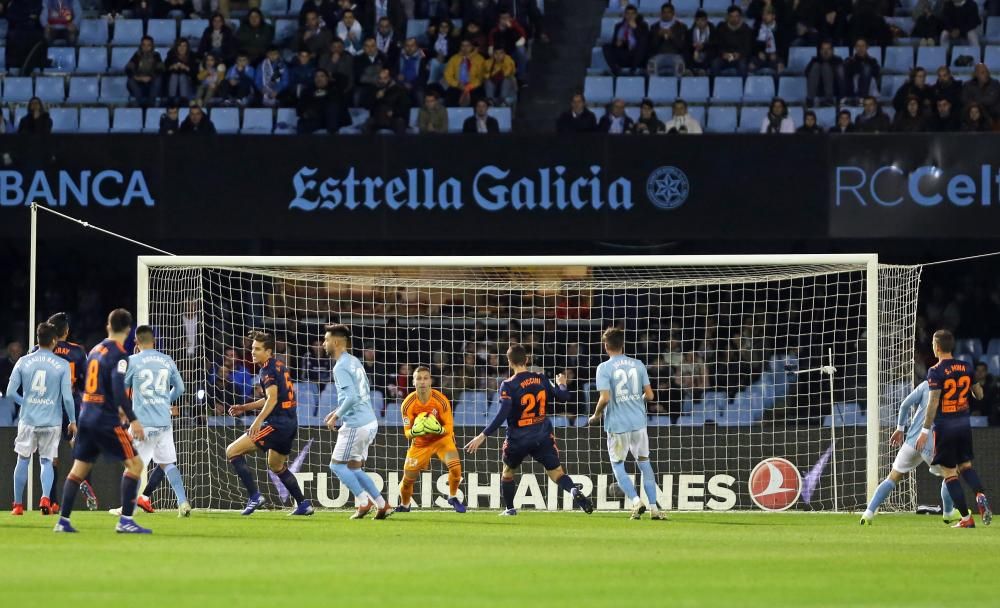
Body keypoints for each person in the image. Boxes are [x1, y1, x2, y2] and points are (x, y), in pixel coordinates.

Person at [464, 344, 594, 516]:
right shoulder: (541, 378)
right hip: (542, 435)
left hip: (518, 439)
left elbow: (502, 414)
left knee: (508, 472)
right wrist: (561, 384)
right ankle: (573, 491)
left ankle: (510, 509)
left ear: (510, 362)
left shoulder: (508, 385)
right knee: (557, 473)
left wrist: (483, 435)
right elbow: (564, 397)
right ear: (526, 360)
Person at [53, 309, 150, 534]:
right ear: (128, 330)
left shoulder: (95, 350)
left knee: (78, 470)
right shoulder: (119, 354)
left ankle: (63, 521)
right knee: (135, 465)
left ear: (108, 326)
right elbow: (118, 388)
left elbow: (90, 384)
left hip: (86, 416)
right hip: (105, 420)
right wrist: (132, 418)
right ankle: (126, 521)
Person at [225, 331, 313, 517]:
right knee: (276, 465)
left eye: (257, 349)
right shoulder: (279, 366)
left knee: (232, 451)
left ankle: (255, 497)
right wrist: (243, 407)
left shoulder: (267, 370)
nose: (253, 352)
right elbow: (270, 398)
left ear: (269, 351)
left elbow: (271, 400)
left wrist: (257, 421)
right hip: (289, 424)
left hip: (277, 425)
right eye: (252, 348)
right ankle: (303, 504)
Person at [914, 330, 992, 528]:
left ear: (937, 347)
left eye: (933, 343)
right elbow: (979, 395)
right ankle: (980, 494)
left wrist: (924, 431)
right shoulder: (966, 366)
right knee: (966, 466)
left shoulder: (935, 371)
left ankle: (966, 519)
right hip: (964, 425)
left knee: (950, 473)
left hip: (945, 427)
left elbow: (932, 403)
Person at [110, 325, 190, 517]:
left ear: (136, 343)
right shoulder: (167, 360)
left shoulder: (132, 361)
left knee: (133, 465)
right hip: (163, 421)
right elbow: (180, 388)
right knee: (167, 463)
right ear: (154, 341)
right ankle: (183, 502)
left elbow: (122, 389)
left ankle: (128, 507)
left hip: (142, 423)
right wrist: (164, 402)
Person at [588, 327, 663, 520]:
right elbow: (650, 395)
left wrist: (595, 415)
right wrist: (634, 399)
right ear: (622, 345)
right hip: (639, 422)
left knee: (617, 464)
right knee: (645, 464)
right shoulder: (638, 364)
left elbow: (605, 398)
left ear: (606, 346)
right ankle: (655, 508)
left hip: (617, 424)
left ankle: (636, 502)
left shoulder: (604, 368)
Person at [861, 381, 957, 524]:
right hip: (929, 443)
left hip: (911, 442)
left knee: (892, 477)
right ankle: (949, 512)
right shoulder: (953, 389)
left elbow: (905, 405)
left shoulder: (926, 384)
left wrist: (900, 428)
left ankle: (868, 513)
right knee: (951, 475)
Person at [323, 325, 391, 520]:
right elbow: (362, 393)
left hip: (356, 424)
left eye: (326, 340)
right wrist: (337, 410)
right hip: (369, 420)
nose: (323, 344)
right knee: (353, 467)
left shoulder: (340, 366)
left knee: (336, 466)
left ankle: (363, 501)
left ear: (336, 342)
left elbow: (352, 397)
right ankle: (381, 504)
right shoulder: (354, 361)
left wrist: (337, 416)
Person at [7, 323, 75, 516]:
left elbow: (11, 393)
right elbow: (67, 398)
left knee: (22, 459)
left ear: (38, 340)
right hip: (51, 421)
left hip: (28, 420)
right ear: (54, 341)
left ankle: (18, 505)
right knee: (46, 461)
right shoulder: (62, 365)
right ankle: (45, 497)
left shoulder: (22, 362)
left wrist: (25, 402)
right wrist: (72, 420)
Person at [393, 366, 465, 513]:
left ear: (430, 381)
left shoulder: (441, 400)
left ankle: (452, 496)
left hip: (442, 440)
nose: (423, 382)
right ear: (413, 382)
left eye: (426, 378)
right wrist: (415, 431)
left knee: (456, 469)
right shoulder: (407, 404)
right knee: (407, 481)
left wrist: (437, 429)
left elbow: (449, 428)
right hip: (420, 444)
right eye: (419, 378)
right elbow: (407, 433)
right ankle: (405, 505)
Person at [42, 312, 91, 512]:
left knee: (51, 455)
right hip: (72, 404)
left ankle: (52, 500)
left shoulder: (39, 350)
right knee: (78, 447)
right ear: (67, 331)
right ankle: (85, 481)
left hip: (48, 406)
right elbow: (86, 381)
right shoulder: (78, 351)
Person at [602, 4, 649, 76]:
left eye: (632, 13)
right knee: (606, 47)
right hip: (623, 54)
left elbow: (645, 40)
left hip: (637, 56)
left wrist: (635, 28)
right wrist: (617, 43)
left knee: (643, 45)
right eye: (628, 13)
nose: (630, 16)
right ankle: (616, 70)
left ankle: (633, 70)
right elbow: (614, 42)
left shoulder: (643, 25)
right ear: (624, 15)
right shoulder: (618, 26)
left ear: (636, 15)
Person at [646, 2, 687, 77]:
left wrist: (672, 36)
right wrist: (659, 36)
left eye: (669, 12)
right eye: (664, 12)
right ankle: (654, 87)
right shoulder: (654, 27)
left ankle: (677, 87)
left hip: (675, 55)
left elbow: (682, 46)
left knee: (680, 65)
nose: (666, 15)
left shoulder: (681, 27)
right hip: (659, 55)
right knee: (651, 64)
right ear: (661, 14)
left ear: (673, 13)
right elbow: (652, 46)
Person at [711, 6, 753, 77]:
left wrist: (739, 54)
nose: (734, 19)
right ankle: (714, 87)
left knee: (743, 65)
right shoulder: (721, 27)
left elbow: (748, 47)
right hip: (724, 57)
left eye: (736, 16)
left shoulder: (746, 29)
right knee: (715, 63)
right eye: (731, 16)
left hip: (739, 57)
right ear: (728, 17)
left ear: (740, 17)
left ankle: (743, 87)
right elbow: (717, 44)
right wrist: (723, 53)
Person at [443, 38, 485, 106]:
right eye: (463, 46)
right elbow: (448, 75)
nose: (465, 48)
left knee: (478, 97)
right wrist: (457, 84)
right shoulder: (454, 58)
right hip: (458, 85)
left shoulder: (479, 59)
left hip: (473, 86)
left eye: (468, 45)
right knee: (450, 97)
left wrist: (470, 86)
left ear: (472, 47)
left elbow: (481, 77)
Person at [125, 36, 164, 108]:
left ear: (152, 46)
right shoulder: (137, 56)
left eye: (148, 45)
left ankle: (151, 104)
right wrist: (137, 77)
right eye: (144, 45)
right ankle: (140, 104)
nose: (146, 47)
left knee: (159, 79)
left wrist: (150, 77)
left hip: (151, 84)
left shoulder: (156, 56)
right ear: (141, 46)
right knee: (130, 80)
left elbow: (160, 69)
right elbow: (128, 69)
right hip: (139, 84)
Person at [805, 41, 845, 106]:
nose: (825, 51)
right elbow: (806, 73)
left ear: (832, 51)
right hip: (817, 90)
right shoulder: (815, 60)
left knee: (825, 67)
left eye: (828, 49)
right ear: (820, 51)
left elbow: (841, 78)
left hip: (834, 90)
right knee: (816, 66)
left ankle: (829, 100)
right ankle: (810, 99)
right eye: (823, 49)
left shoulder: (838, 60)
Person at [164, 38, 197, 107]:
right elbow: (165, 69)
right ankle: (171, 100)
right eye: (180, 46)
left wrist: (186, 68)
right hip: (172, 82)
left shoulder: (192, 55)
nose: (182, 48)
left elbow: (195, 74)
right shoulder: (171, 54)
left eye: (184, 46)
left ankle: (183, 100)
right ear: (176, 47)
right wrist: (172, 67)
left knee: (182, 76)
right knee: (174, 76)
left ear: (187, 47)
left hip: (188, 83)